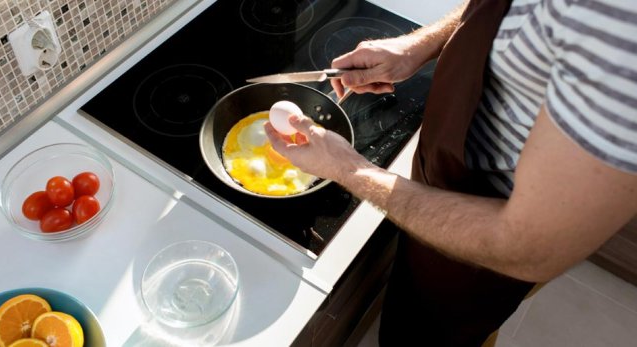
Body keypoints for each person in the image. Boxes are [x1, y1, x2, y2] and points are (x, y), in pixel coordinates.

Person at [265, 0, 637, 345]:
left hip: (485, 236)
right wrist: (418, 47)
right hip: (445, 168)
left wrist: (348, 169)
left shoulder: (621, 34)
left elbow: (529, 249)